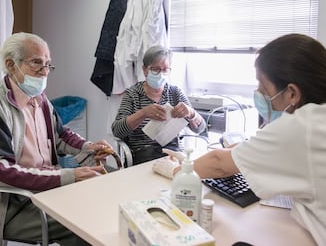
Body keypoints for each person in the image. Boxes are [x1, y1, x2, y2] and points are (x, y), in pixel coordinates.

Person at [166, 33, 326, 245]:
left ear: (292, 93)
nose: (259, 94)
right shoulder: (316, 119)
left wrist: (178, 171)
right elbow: (252, 149)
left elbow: (218, 164)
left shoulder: (300, 126)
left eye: (263, 87)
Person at [0, 32, 111, 246]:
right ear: (11, 65)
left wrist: (89, 147)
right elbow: (1, 170)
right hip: (7, 204)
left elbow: (61, 135)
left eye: (48, 65)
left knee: (95, 205)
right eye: (36, 63)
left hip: (41, 190)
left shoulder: (39, 99)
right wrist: (68, 176)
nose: (44, 72)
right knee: (81, 226)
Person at [111, 45, 206, 165]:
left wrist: (191, 113)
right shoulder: (133, 94)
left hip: (173, 153)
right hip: (143, 153)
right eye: (155, 69)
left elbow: (200, 129)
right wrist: (143, 113)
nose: (161, 74)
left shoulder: (175, 93)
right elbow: (117, 131)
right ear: (145, 70)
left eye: (165, 69)